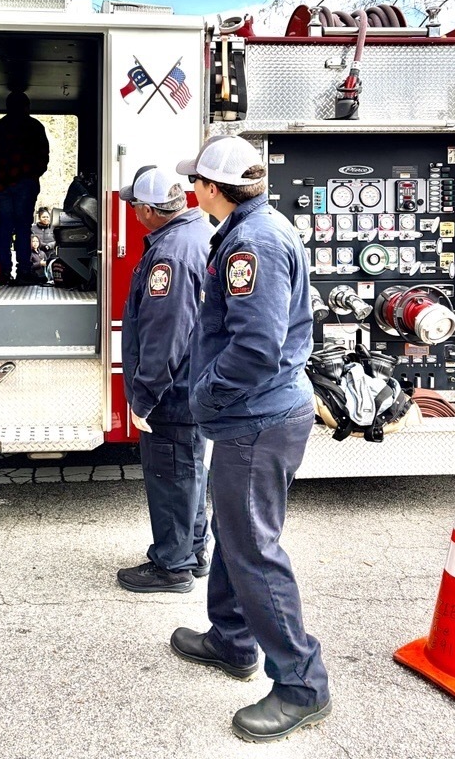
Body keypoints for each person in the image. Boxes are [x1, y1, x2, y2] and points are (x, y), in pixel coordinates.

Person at [169, 134, 331, 743]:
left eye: (197, 183)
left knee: (254, 549)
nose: (193, 191)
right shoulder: (256, 228)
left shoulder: (253, 244)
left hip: (255, 419)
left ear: (213, 189)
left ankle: (301, 684)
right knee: (239, 534)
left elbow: (257, 348)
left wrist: (204, 395)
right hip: (259, 416)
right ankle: (232, 638)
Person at [116, 165, 211, 594]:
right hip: (193, 383)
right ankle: (193, 551)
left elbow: (165, 334)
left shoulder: (170, 254)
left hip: (172, 390)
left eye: (134, 205)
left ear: (151, 210)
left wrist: (144, 395)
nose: (132, 211)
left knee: (171, 472)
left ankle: (172, 566)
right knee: (188, 469)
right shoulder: (194, 235)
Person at [0, 92, 49, 284]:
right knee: (23, 227)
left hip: (3, 184)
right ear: (26, 107)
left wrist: (2, 176)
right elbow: (43, 157)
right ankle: (24, 271)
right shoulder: (34, 127)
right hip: (25, 183)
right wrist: (31, 174)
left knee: (4, 227)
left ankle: (3, 272)